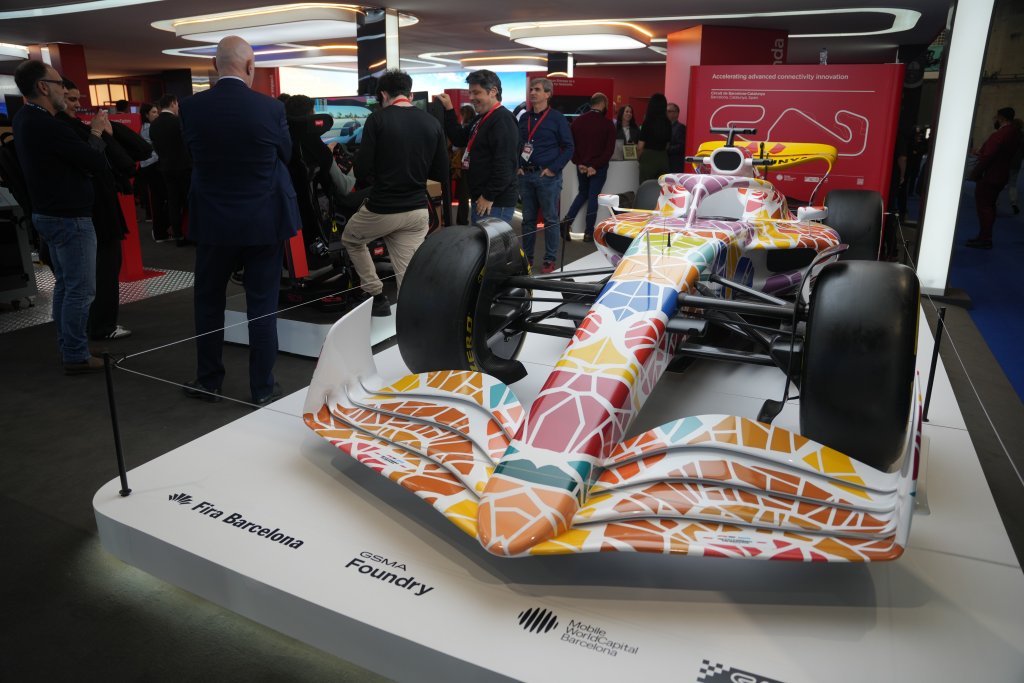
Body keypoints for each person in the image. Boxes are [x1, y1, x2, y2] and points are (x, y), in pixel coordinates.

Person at [179, 36, 301, 406]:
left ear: (215, 66)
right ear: (250, 67)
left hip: (213, 222)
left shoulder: (190, 107)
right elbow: (286, 154)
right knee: (262, 305)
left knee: (208, 302)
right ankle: (262, 388)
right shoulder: (270, 109)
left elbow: (192, 153)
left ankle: (209, 381)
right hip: (263, 221)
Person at [11, 59, 111, 374]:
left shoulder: (26, 119)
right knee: (80, 289)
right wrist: (96, 132)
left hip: (50, 215)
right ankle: (76, 355)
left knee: (67, 286)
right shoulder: (46, 124)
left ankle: (71, 346)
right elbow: (93, 161)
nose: (64, 91)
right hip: (68, 218)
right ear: (43, 87)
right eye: (59, 85)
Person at [340, 70, 447, 316]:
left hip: (383, 208)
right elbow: (441, 171)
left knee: (351, 238)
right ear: (409, 94)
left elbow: (362, 168)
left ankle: (376, 295)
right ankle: (414, 321)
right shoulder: (432, 123)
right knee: (407, 273)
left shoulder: (378, 120)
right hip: (418, 211)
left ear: (383, 94)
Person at [57, 79, 135, 341]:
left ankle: (83, 333)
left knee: (89, 276)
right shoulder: (63, 129)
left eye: (77, 99)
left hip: (93, 207)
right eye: (70, 99)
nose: (77, 105)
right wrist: (98, 134)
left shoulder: (71, 127)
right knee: (94, 276)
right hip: (90, 210)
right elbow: (91, 161)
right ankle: (95, 330)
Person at [436, 70, 519, 227]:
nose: (471, 98)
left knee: (492, 249)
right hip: (482, 197)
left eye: (476, 93)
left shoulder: (503, 120)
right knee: (485, 247)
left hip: (494, 202)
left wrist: (488, 196)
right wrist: (448, 109)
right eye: (470, 93)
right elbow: (459, 138)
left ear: (493, 91)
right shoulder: (481, 118)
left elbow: (505, 165)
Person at [516, 77, 573, 272]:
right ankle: (527, 259)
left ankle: (550, 260)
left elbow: (569, 147)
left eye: (537, 89)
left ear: (548, 94)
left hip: (547, 177)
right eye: (531, 89)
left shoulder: (557, 118)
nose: (532, 92)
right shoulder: (524, 118)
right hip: (526, 176)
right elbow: (518, 144)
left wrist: (552, 169)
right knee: (527, 221)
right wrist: (518, 164)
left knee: (550, 220)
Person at [561, 92, 616, 243]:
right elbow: (608, 151)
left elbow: (571, 146)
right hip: (598, 168)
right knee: (593, 197)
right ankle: (588, 233)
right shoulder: (608, 124)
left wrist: (580, 163)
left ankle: (566, 222)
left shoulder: (577, 122)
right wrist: (595, 166)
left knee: (583, 194)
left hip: (582, 167)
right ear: (603, 104)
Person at [967, 106, 1022, 248]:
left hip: (990, 175)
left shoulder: (999, 135)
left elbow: (988, 156)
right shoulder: (1015, 134)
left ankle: (985, 238)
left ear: (1001, 118)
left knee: (984, 207)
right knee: (990, 206)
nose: (995, 120)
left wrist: (975, 173)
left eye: (996, 117)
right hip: (1001, 174)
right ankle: (985, 236)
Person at [149, 93, 191, 244]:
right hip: (185, 167)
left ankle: (178, 234)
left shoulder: (154, 125)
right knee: (189, 201)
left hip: (166, 168)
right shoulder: (178, 122)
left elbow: (156, 147)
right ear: (173, 103)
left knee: (173, 201)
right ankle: (191, 233)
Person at [138, 102, 169, 239]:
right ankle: (159, 232)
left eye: (157, 112)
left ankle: (160, 231)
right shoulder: (148, 129)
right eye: (154, 112)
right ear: (146, 115)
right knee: (159, 199)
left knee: (159, 199)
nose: (157, 115)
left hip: (151, 166)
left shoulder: (148, 127)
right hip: (153, 166)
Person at [638, 94, 671, 184]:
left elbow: (640, 146)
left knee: (646, 186)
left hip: (648, 157)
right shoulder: (667, 122)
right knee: (663, 187)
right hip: (663, 157)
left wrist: (638, 157)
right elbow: (668, 144)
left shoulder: (648, 121)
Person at [451, 103, 476, 225]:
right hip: (476, 166)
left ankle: (462, 221)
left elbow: (456, 147)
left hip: (464, 167)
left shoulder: (463, 129)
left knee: (463, 197)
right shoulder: (476, 127)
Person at [666, 101, 687, 173]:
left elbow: (682, 146)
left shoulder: (680, 128)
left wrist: (667, 148)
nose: (666, 113)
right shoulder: (664, 127)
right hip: (665, 164)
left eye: (669, 111)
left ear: (676, 113)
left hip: (675, 165)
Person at [1008, 118, 1023, 215]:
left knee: (999, 184)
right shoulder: (1023, 136)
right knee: (1012, 184)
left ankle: (994, 203)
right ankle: (1014, 203)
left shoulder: (1008, 134)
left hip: (1006, 162)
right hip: (1017, 163)